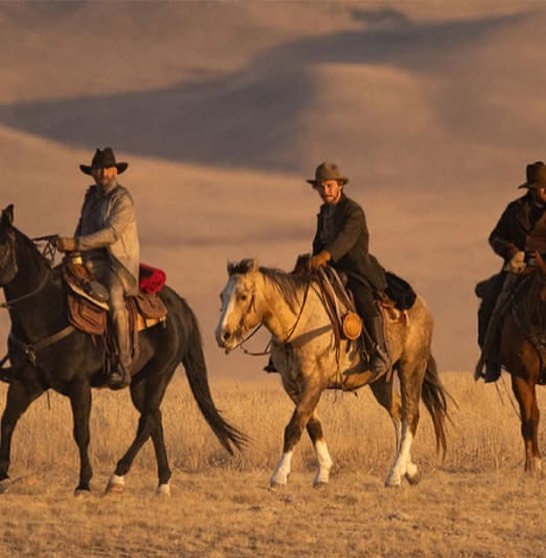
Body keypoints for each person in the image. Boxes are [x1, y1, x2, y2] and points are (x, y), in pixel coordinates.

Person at [55, 147, 140, 389]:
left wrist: (77, 243)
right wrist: (71, 250)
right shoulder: (90, 197)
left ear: (115, 171)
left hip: (116, 266)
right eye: (97, 169)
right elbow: (82, 227)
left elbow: (112, 233)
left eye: (106, 168)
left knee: (115, 300)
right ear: (91, 173)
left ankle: (123, 366)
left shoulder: (123, 199)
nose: (102, 173)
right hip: (88, 261)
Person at [306, 161, 390, 377]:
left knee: (362, 297)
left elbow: (346, 239)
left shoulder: (353, 211)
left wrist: (325, 256)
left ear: (340, 185)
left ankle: (379, 351)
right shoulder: (324, 213)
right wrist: (311, 260)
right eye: (321, 187)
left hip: (355, 268)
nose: (326, 191)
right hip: (329, 269)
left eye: (330, 186)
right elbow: (319, 242)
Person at [476, 161, 546, 382]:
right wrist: (512, 251)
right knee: (489, 304)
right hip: (519, 269)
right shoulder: (514, 210)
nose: (544, 191)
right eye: (540, 187)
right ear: (532, 189)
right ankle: (492, 359)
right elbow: (495, 237)